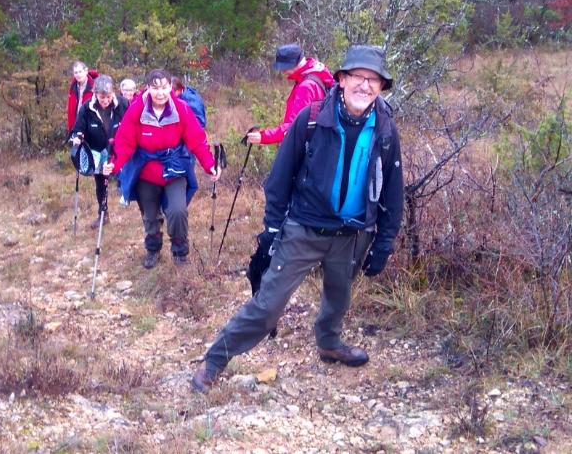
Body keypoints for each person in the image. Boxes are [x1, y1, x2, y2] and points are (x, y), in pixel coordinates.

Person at [192, 45, 404, 392]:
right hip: (303, 229)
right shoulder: (311, 118)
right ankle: (214, 361)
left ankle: (329, 344)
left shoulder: (385, 128)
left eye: (374, 80)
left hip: (352, 235)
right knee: (267, 306)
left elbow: (393, 189)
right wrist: (272, 228)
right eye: (358, 77)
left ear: (381, 87)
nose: (365, 85)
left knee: (339, 297)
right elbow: (279, 178)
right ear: (341, 79)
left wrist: (384, 241)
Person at [103, 68, 221, 269]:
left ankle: (180, 253)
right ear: (147, 88)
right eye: (155, 88)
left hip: (174, 169)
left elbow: (196, 140)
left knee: (177, 211)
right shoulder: (137, 110)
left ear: (170, 88)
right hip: (146, 171)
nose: (160, 93)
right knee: (150, 215)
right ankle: (153, 249)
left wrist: (210, 165)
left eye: (164, 87)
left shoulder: (181, 109)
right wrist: (114, 164)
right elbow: (124, 142)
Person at [69, 75, 129, 229]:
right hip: (97, 149)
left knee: (128, 176)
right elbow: (78, 129)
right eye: (102, 97)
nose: (106, 100)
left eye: (108, 96)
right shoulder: (87, 108)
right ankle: (103, 213)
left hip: (118, 148)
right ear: (95, 94)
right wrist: (77, 137)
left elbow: (131, 124)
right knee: (100, 182)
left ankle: (135, 202)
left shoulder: (122, 104)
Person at [245, 44, 334, 145]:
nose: (283, 71)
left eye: (285, 67)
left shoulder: (306, 87)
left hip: (308, 146)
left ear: (296, 63)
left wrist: (263, 137)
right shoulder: (315, 74)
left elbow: (294, 126)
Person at [66, 61, 98, 132]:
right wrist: (71, 129)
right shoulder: (73, 87)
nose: (78, 75)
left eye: (80, 72)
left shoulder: (94, 86)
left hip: (90, 128)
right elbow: (71, 110)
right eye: (76, 73)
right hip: (76, 127)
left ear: (86, 71)